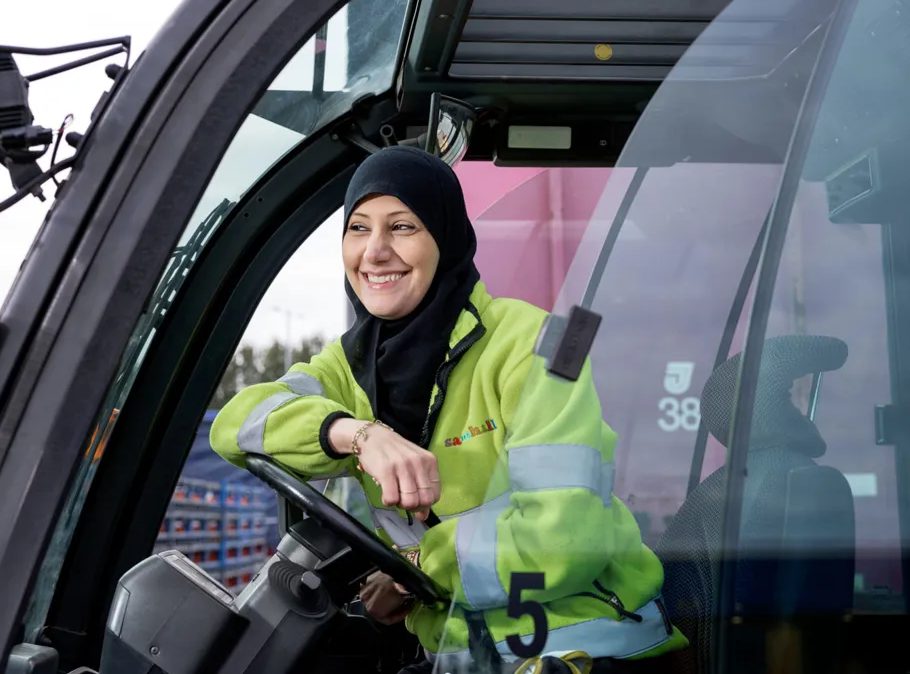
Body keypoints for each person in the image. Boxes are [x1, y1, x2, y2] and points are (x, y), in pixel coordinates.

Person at [210, 146, 688, 673]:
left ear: (446, 237)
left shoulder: (536, 343)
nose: (375, 251)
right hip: (466, 657)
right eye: (359, 228)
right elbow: (237, 425)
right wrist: (357, 435)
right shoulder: (349, 368)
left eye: (403, 227)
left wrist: (417, 569)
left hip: (589, 650)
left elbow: (563, 538)